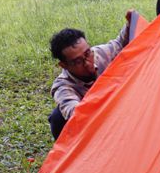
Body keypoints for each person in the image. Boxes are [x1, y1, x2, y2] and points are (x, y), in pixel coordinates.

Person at [48, 11, 132, 139]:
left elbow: (120, 43)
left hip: (121, 111)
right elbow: (75, 113)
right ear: (64, 65)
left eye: (87, 53)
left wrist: (130, 23)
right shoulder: (63, 87)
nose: (88, 63)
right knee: (57, 118)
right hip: (93, 127)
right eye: (78, 61)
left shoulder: (100, 54)